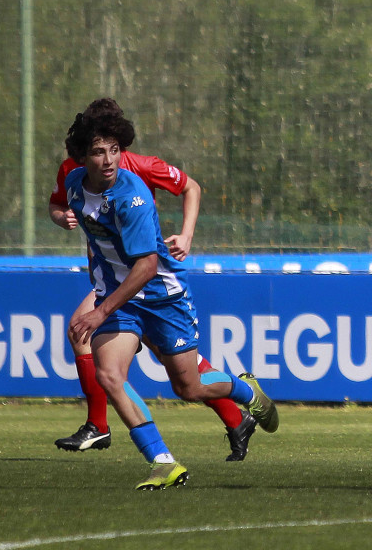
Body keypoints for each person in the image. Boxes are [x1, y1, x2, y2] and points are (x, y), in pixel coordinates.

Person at [63, 103, 278, 490]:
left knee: (189, 387)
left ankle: (247, 391)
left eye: (115, 149)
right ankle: (163, 462)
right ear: (82, 156)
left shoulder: (134, 197)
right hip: (120, 297)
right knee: (110, 374)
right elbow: (95, 238)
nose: (110, 160)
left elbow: (145, 266)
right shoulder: (74, 185)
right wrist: (101, 286)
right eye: (99, 151)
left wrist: (99, 311)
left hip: (162, 296)